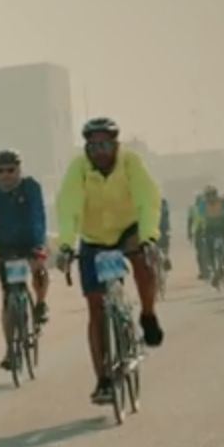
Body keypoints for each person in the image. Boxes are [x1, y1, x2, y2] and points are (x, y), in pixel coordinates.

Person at [53, 116, 167, 406]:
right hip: (93, 237)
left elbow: (147, 199)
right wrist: (66, 245)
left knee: (142, 260)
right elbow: (68, 206)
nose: (99, 151)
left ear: (116, 145)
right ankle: (103, 378)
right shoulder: (78, 168)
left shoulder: (131, 163)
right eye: (93, 145)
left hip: (128, 229)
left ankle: (148, 314)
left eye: (105, 144)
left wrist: (149, 237)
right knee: (96, 308)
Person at [0, 148, 51, 363]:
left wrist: (38, 244)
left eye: (11, 170)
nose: (6, 175)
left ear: (19, 169)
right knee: (8, 299)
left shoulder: (31, 187)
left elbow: (38, 215)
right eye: (1, 171)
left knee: (39, 270)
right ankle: (10, 349)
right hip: (6, 245)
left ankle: (41, 302)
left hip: (30, 241)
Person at [188, 184, 224, 280]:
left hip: (222, 227)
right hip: (209, 229)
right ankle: (213, 267)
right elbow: (198, 217)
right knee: (208, 248)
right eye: (208, 195)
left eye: (212, 194)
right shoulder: (202, 205)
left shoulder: (223, 202)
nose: (211, 197)